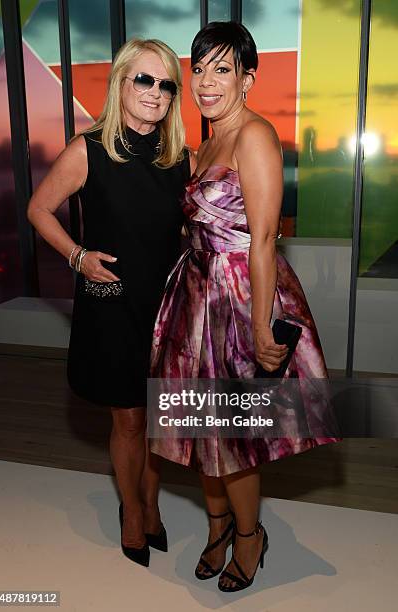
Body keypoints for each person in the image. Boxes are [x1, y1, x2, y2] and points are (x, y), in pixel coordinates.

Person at [150, 22, 340, 592]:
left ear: (248, 80)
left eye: (222, 69)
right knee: (200, 428)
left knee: (232, 437)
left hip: (237, 296)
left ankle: (250, 538)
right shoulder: (208, 139)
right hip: (197, 292)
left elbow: (262, 238)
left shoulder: (255, 135)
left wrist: (260, 326)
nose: (206, 82)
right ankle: (217, 528)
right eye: (200, 69)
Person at [27, 38, 190, 568]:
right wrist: (77, 258)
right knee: (127, 420)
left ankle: (152, 503)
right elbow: (39, 210)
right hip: (112, 303)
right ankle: (132, 513)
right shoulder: (88, 150)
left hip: (165, 307)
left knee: (159, 417)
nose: (155, 92)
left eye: (166, 84)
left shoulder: (179, 159)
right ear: (121, 82)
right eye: (144, 79)